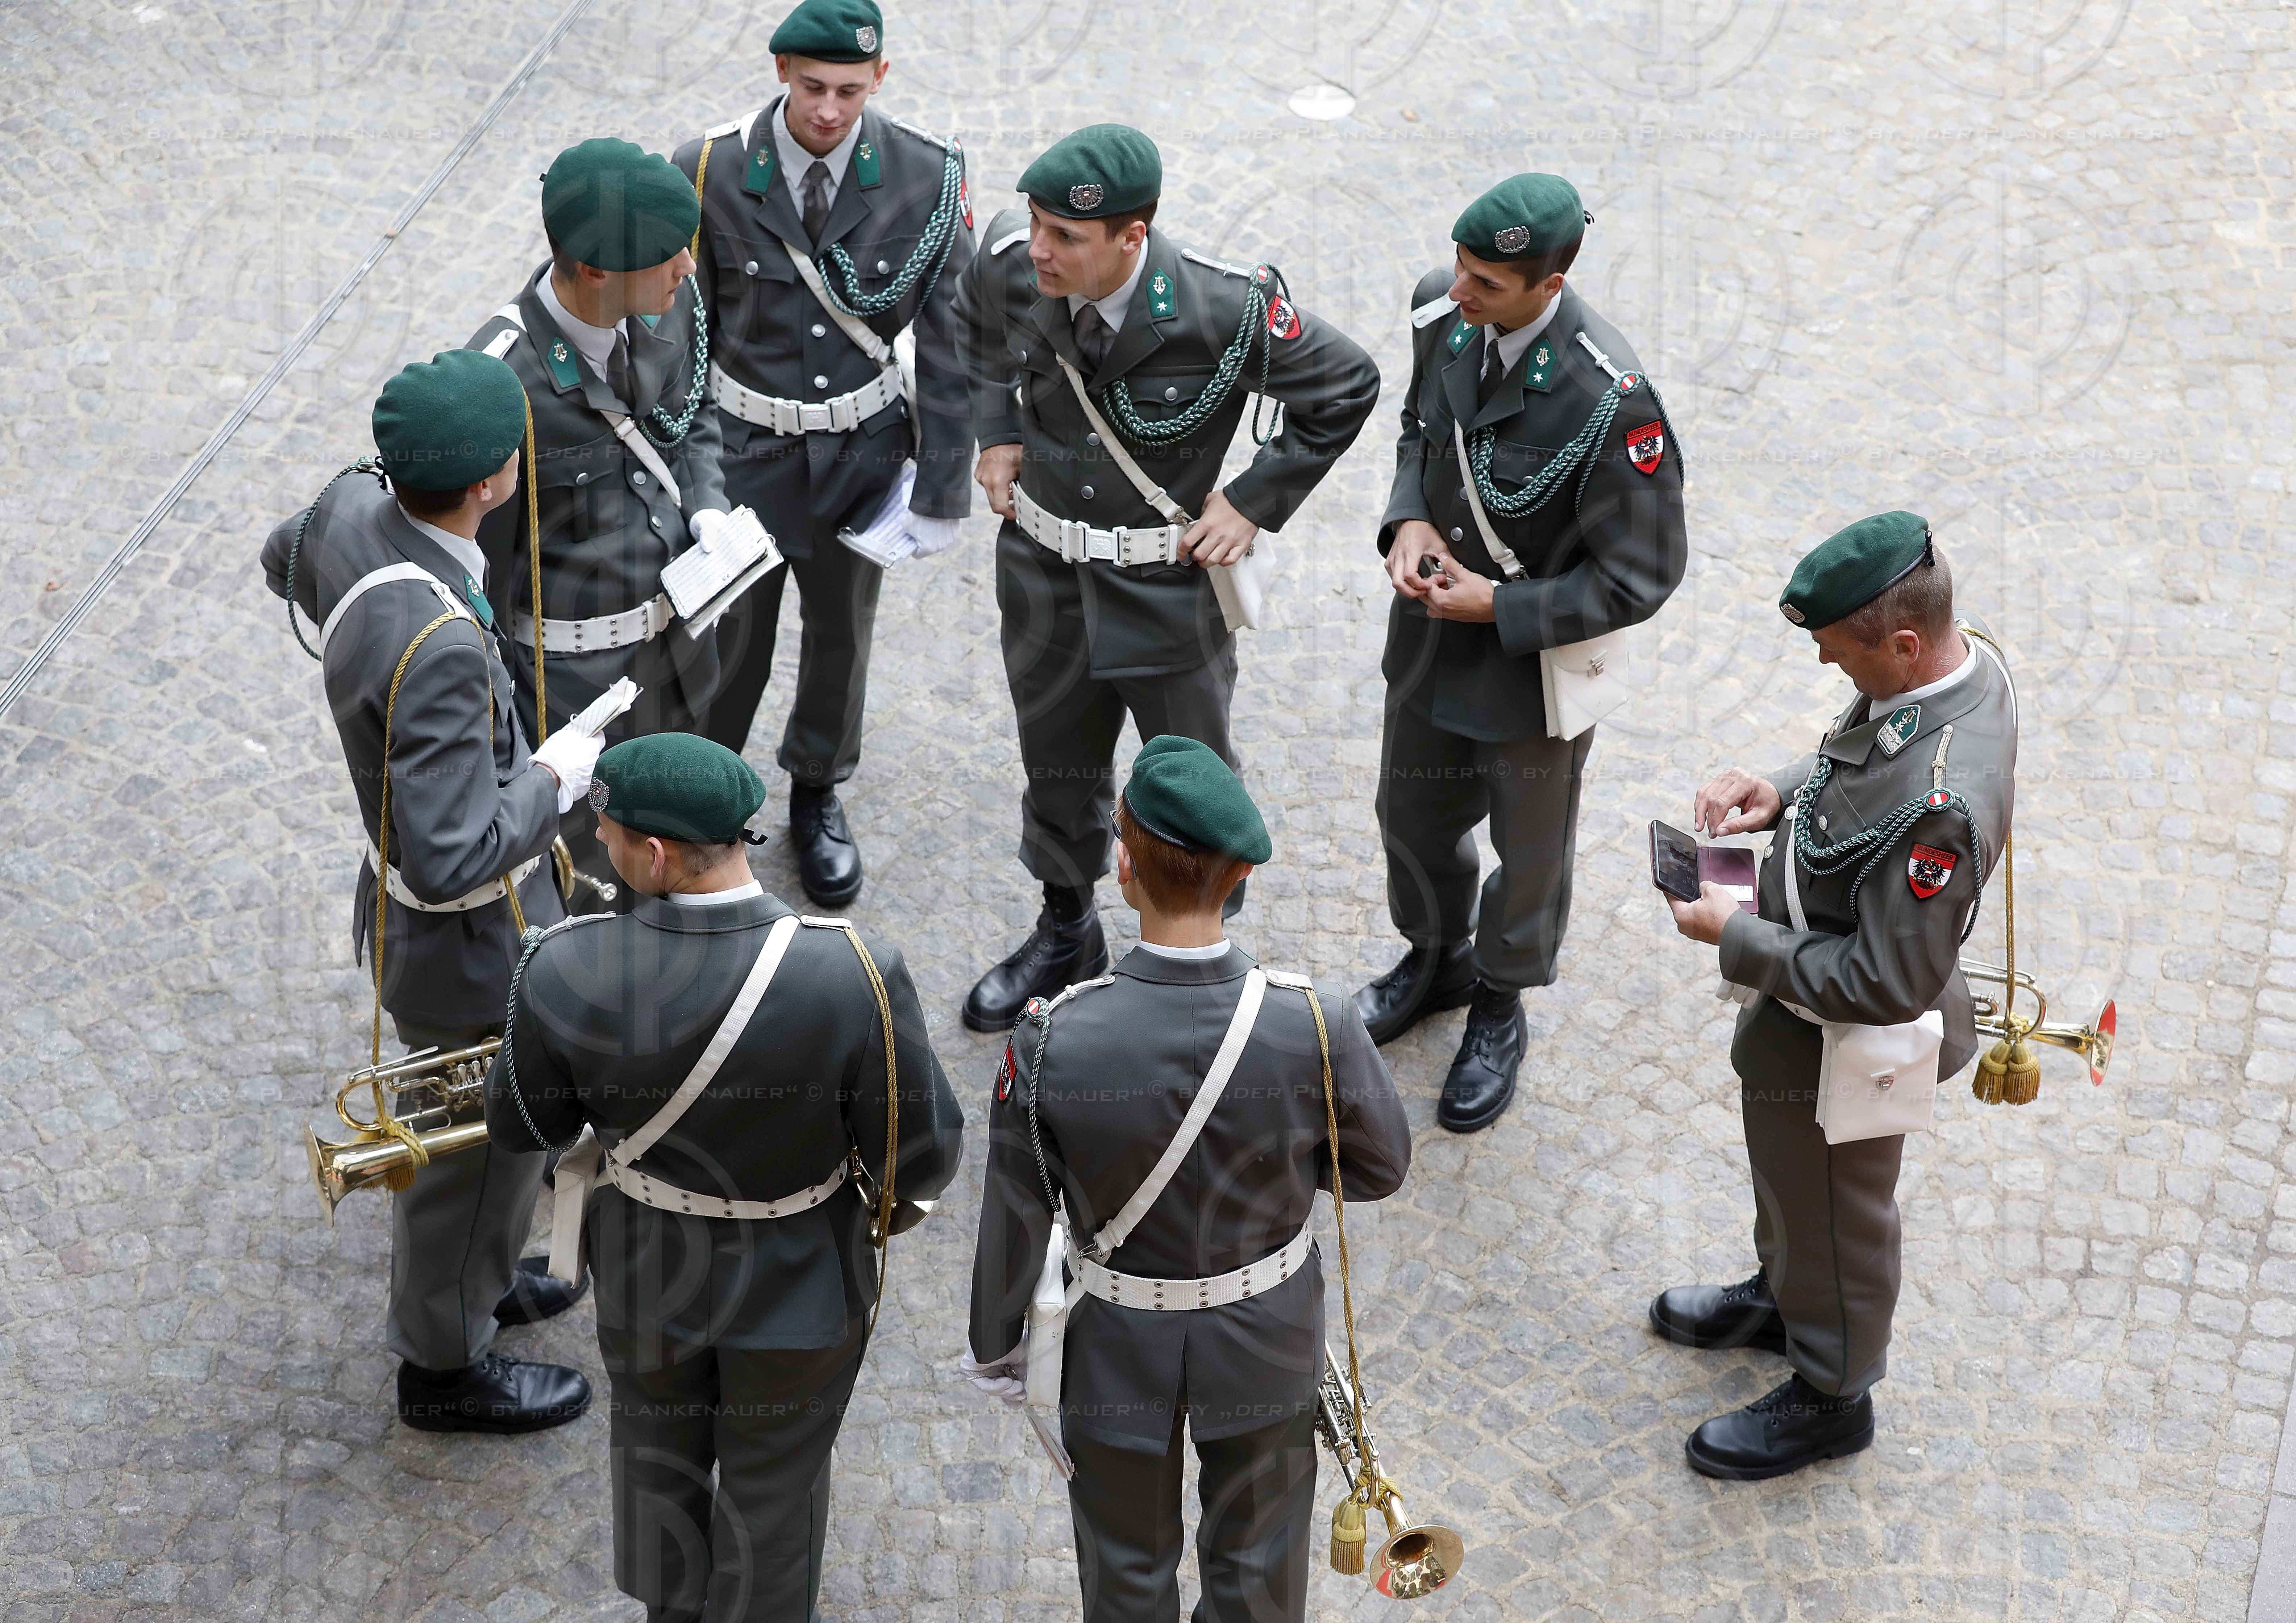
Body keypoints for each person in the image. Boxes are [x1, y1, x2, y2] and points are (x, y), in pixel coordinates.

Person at [486, 732, 965, 1622]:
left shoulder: (563, 963)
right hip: (801, 1283)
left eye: (607, 828)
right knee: (777, 1488)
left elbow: (523, 1123)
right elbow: (925, 1150)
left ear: (655, 854)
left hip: (648, 1274)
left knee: (658, 1456)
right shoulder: (853, 969)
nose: (600, 844)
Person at [963, 735, 1412, 1622]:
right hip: (1267, 1333)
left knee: (1125, 1569)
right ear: (1242, 875)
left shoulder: (1052, 1037)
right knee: (1257, 1568)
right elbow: (1380, 1165)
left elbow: (1020, 1210)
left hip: (1116, 1341)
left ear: (1122, 868)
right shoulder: (1312, 1019)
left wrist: (996, 1340)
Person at [952, 123, 1382, 1032]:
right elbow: (975, 328)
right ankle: (1068, 930)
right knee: (1057, 767)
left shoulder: (1223, 310)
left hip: (1166, 592)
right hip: (1042, 572)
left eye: (1066, 237)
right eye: (1035, 225)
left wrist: (1257, 500)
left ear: (1130, 238)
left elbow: (1347, 383)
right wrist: (995, 427)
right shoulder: (1009, 265)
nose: (1040, 249)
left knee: (1190, 781)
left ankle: (1194, 965)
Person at [260, 350, 602, 1432]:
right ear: (494, 481)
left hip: (419, 911)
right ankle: (444, 1363)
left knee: (504, 1145)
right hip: (467, 942)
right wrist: (552, 779)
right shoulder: (440, 645)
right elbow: (456, 856)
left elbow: (284, 557)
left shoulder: (353, 506)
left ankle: (488, 1278)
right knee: (479, 1155)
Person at [1657, 513, 2017, 1479]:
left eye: (1841, 653)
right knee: (1789, 1179)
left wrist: (1734, 935)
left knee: (1839, 1212)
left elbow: (1883, 982)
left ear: (1903, 641)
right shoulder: (1954, 663)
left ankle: (1834, 1391)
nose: (1830, 668)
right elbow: (1863, 751)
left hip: (1856, 1033)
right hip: (1804, 1000)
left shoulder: (1944, 804)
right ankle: (1787, 1298)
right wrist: (1777, 793)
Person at [1353, 172, 1687, 1134]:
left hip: (1530, 668)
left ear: (1551, 282)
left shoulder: (1613, 401)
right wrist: (1408, 519)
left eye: (1487, 284)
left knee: (1527, 855)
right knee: (1409, 817)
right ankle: (1433, 958)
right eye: (1460, 269)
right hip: (1426, 641)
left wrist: (1499, 603)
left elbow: (1642, 577)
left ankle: (1498, 1004)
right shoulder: (1442, 310)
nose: (1461, 293)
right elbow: (1422, 432)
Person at [674, 0, 977, 907]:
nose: (831, 111)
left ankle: (817, 789)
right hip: (744, 452)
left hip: (863, 453)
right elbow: (680, 332)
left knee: (841, 637)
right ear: (780, 72)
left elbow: (955, 335)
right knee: (731, 638)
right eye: (813, 88)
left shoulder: (926, 174)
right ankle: (706, 792)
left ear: (881, 79)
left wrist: (943, 487)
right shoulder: (708, 168)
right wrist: (683, 477)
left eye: (851, 89)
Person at [469, 137, 736, 906]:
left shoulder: (669, 296)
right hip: (573, 687)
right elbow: (468, 574)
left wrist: (708, 501)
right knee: (589, 877)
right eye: (667, 258)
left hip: (682, 650)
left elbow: (696, 411)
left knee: (680, 842)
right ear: (594, 271)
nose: (689, 269)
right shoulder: (501, 382)